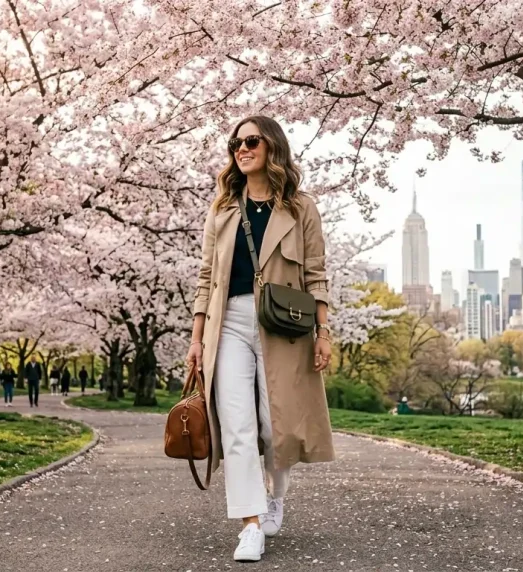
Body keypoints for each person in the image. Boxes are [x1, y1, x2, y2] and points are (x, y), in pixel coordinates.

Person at [186, 115, 334, 563]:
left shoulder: (300, 208)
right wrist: (196, 339)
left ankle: (276, 495)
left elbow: (316, 274)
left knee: (277, 425)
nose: (242, 149)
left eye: (251, 141)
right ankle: (250, 525)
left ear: (272, 146)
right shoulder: (223, 209)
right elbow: (206, 277)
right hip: (226, 323)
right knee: (236, 425)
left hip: (282, 326)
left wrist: (322, 330)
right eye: (236, 143)